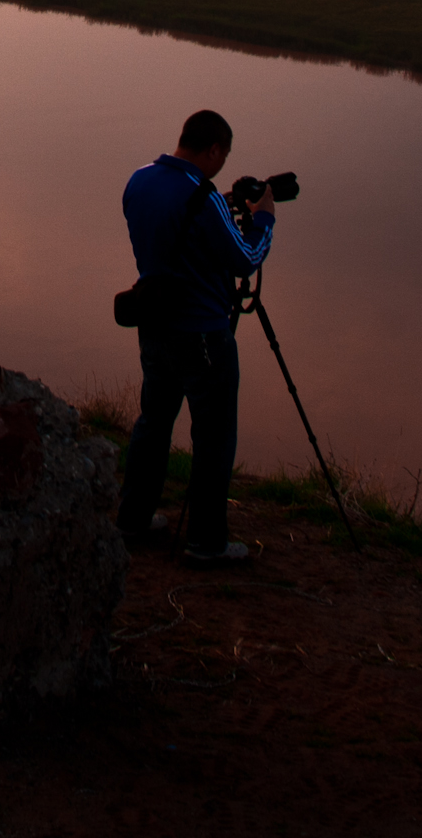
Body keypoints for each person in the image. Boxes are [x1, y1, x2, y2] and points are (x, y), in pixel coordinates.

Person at [116, 108, 275, 565]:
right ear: (213, 150)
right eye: (221, 156)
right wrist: (263, 218)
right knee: (214, 435)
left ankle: (133, 517)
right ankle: (207, 541)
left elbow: (169, 235)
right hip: (203, 333)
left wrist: (220, 208)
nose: (221, 163)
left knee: (153, 423)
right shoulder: (202, 199)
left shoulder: (139, 180)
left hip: (154, 325)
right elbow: (245, 259)